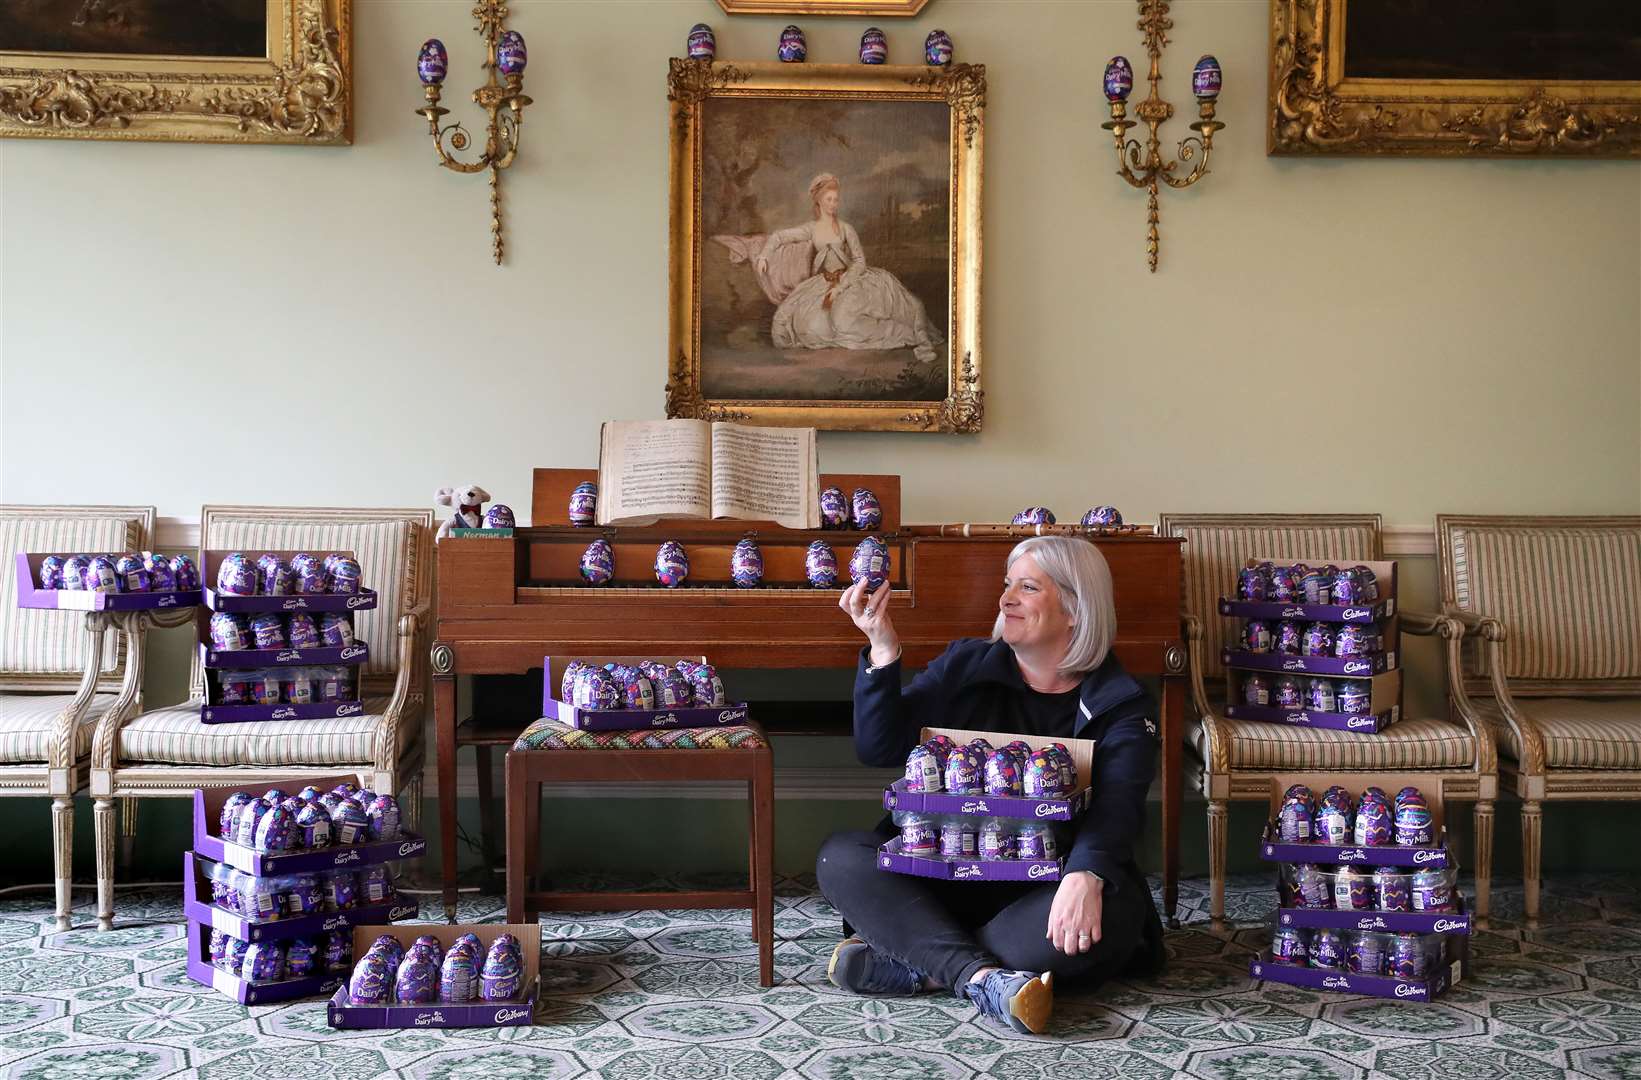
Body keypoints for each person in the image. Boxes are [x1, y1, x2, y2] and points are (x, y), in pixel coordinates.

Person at [815, 535, 1165, 1035]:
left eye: (1027, 587)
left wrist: (1085, 875)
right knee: (842, 856)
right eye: (1007, 585)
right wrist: (883, 648)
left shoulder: (1121, 703)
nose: (1005, 599)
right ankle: (981, 977)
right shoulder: (966, 665)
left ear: (1075, 609)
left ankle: (922, 959)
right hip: (944, 876)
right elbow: (878, 748)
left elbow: (1118, 808)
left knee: (1110, 912)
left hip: (1041, 890)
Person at [746, 172, 943, 364]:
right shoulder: (811, 229)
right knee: (790, 322)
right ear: (819, 201)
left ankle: (906, 334)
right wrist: (764, 256)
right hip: (822, 283)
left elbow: (859, 261)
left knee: (843, 320)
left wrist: (841, 286)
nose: (833, 204)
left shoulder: (846, 228)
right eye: (829, 199)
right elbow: (779, 237)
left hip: (852, 281)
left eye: (836, 200)